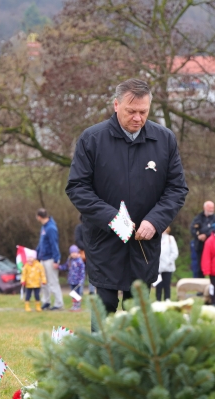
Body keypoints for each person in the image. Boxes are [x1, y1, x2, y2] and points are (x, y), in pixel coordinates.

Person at [65, 78, 188, 314]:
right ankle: (103, 352)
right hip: (104, 242)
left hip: (144, 244)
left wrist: (155, 221)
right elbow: (77, 187)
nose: (138, 118)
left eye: (143, 112)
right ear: (116, 105)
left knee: (138, 311)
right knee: (105, 308)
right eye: (131, 111)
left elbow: (177, 189)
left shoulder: (164, 140)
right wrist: (112, 218)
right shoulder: (92, 139)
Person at [36, 208, 63, 311]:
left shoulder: (51, 228)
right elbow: (41, 243)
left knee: (53, 282)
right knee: (44, 282)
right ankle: (46, 301)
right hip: (43, 258)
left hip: (51, 259)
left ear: (39, 217)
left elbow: (54, 244)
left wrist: (56, 260)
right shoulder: (44, 227)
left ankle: (58, 303)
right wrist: (36, 253)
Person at [189, 201, 215, 278]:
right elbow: (192, 228)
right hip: (200, 246)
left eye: (213, 208)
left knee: (213, 267)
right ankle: (200, 288)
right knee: (199, 267)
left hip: (212, 248)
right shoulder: (198, 217)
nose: (211, 209)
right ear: (204, 208)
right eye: (210, 208)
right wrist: (198, 236)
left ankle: (213, 287)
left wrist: (206, 235)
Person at [59, 245, 86, 311]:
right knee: (73, 293)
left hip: (78, 281)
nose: (73, 254)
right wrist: (59, 267)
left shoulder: (80, 262)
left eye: (75, 252)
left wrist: (81, 280)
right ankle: (74, 305)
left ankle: (78, 306)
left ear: (77, 253)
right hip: (71, 280)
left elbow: (82, 272)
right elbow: (65, 267)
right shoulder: (70, 260)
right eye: (72, 253)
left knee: (77, 294)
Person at [74, 216, 96, 296]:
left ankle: (92, 291)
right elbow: (77, 240)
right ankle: (80, 292)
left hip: (92, 254)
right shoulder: (79, 228)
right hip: (83, 254)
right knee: (81, 273)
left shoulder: (93, 227)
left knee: (92, 273)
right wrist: (86, 248)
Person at [157, 227, 179, 301]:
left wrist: (168, 261)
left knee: (167, 284)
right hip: (158, 267)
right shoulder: (156, 238)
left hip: (168, 267)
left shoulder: (170, 238)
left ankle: (167, 300)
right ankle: (158, 300)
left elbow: (175, 252)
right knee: (158, 285)